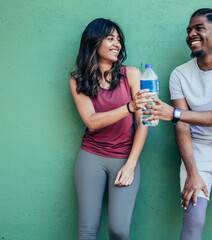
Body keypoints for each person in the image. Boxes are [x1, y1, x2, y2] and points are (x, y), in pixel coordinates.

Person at [144, 8, 212, 240]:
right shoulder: (179, 75)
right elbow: (182, 127)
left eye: (199, 28)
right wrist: (192, 172)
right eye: (189, 30)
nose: (191, 34)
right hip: (197, 153)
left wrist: (174, 113)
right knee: (193, 222)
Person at [70, 18, 152, 240]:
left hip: (125, 157)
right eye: (110, 38)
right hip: (91, 156)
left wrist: (131, 165)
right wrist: (130, 107)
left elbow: (143, 122)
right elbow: (92, 121)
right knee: (87, 231)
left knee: (119, 230)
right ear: (94, 42)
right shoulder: (78, 80)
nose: (117, 44)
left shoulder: (132, 74)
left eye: (119, 39)